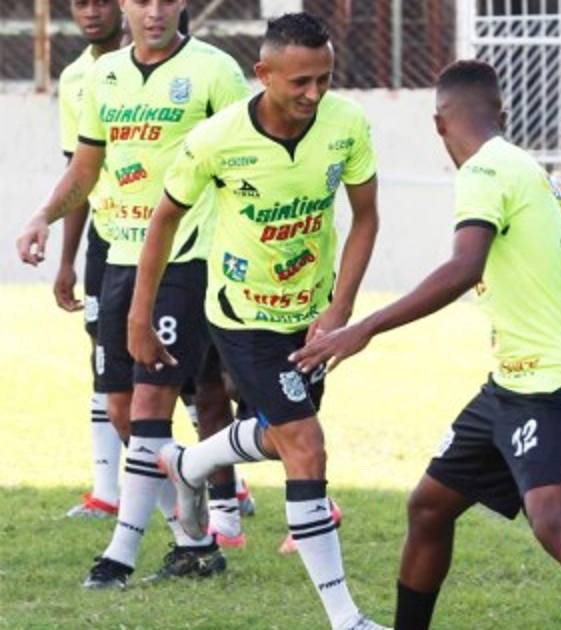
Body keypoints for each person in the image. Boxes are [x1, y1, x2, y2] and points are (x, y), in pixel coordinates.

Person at [291, 60, 561, 630]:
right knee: (429, 506)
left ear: (438, 124)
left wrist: (363, 328)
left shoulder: (483, 171)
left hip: (550, 381)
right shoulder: (523, 166)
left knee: (554, 524)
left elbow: (464, 267)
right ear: (502, 112)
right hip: (516, 382)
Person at [127, 13, 384, 629]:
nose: (314, 94)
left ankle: (189, 464)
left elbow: (366, 216)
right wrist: (140, 313)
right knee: (305, 445)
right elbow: (164, 220)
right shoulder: (217, 139)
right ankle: (346, 618)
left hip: (312, 314)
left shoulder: (347, 124)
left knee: (278, 435)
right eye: (300, 82)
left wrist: (341, 307)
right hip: (243, 317)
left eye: (324, 79)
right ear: (263, 73)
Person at [17, 0, 251, 587]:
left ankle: (119, 554)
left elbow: (246, 165)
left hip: (187, 258)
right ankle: (195, 541)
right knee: (121, 411)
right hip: (118, 258)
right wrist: (43, 216)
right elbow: (86, 169)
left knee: (151, 405)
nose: (153, 12)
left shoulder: (216, 72)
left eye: (164, 0)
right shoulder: (103, 76)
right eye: (142, 0)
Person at [53, 0, 124, 520]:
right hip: (108, 233)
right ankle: (106, 491)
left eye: (102, 1)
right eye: (81, 3)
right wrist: (66, 259)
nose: (92, 12)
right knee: (103, 350)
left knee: (199, 370)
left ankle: (226, 485)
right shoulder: (74, 78)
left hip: (177, 235)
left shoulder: (180, 67)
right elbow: (79, 174)